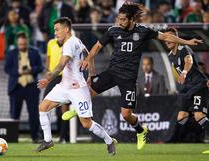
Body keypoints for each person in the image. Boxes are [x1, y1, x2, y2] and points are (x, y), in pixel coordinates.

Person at [62, 3, 202, 150]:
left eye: (123, 19)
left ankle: (141, 131)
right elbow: (97, 46)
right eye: (118, 19)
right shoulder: (113, 30)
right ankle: (78, 109)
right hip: (112, 72)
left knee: (126, 114)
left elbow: (166, 36)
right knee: (87, 92)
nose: (119, 22)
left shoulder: (143, 31)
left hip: (128, 79)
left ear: (131, 20)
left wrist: (187, 42)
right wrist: (88, 59)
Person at [36, 17, 117, 155]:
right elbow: (88, 56)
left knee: (86, 123)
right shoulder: (77, 41)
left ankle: (109, 141)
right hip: (64, 86)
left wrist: (47, 79)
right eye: (54, 30)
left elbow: (61, 65)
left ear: (66, 29)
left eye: (57, 29)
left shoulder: (69, 44)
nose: (55, 33)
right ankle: (48, 140)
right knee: (43, 107)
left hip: (77, 89)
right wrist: (92, 74)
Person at [164, 27, 209, 142]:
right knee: (182, 116)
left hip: (198, 85)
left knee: (199, 116)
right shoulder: (170, 55)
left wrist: (184, 73)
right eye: (165, 38)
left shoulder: (184, 48)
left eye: (170, 37)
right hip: (188, 87)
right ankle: (176, 140)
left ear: (176, 38)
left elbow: (189, 61)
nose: (167, 40)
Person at [4, 33, 44, 143]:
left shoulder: (35, 52)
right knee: (14, 114)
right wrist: (18, 72)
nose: (22, 46)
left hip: (31, 87)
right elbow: (6, 69)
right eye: (20, 44)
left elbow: (41, 67)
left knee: (34, 113)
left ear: (28, 42)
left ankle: (35, 137)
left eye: (24, 44)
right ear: (17, 43)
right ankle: (12, 138)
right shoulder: (11, 53)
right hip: (16, 87)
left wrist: (31, 69)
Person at [44, 38, 69, 143]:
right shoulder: (51, 43)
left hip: (65, 78)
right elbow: (48, 59)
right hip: (53, 78)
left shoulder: (69, 44)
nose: (57, 33)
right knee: (45, 105)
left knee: (64, 108)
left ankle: (63, 137)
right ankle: (45, 136)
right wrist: (47, 71)